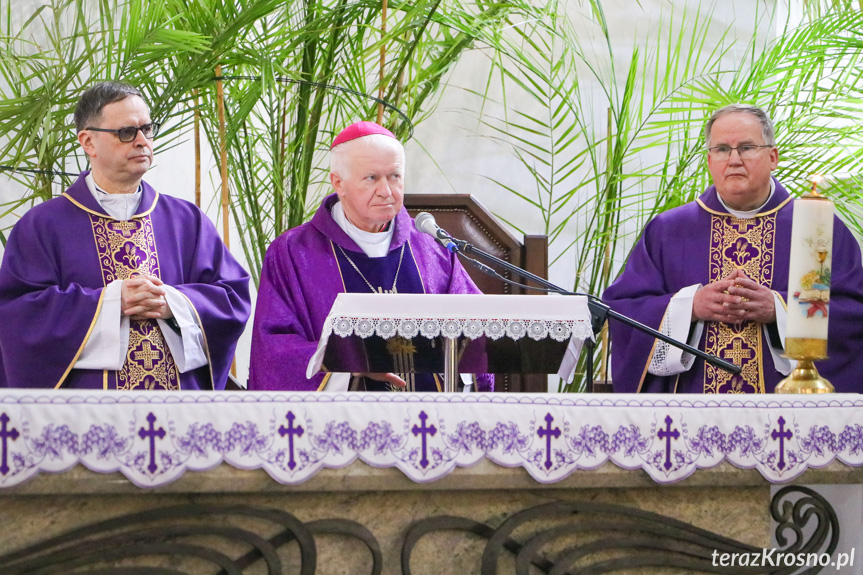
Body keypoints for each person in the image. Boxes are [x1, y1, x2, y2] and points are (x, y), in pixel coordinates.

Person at [0, 81, 251, 390]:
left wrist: (172, 302)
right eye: (126, 132)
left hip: (180, 409)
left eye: (147, 128)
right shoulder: (43, 225)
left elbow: (232, 297)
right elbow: (17, 315)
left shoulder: (187, 221)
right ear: (88, 142)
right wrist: (111, 302)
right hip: (87, 415)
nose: (142, 141)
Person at [603, 103, 863, 394]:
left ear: (773, 157)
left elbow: (853, 314)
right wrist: (691, 306)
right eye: (723, 149)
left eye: (747, 147)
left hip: (787, 419)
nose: (734, 159)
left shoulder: (819, 231)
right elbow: (624, 312)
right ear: (709, 160)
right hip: (691, 414)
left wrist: (778, 309)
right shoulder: (668, 230)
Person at [249, 121, 493, 392]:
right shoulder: (293, 253)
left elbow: (477, 328)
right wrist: (349, 363)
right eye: (372, 178)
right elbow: (273, 351)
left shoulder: (430, 247)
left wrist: (456, 359)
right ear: (338, 183)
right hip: (340, 424)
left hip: (428, 422)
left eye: (394, 177)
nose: (386, 191)